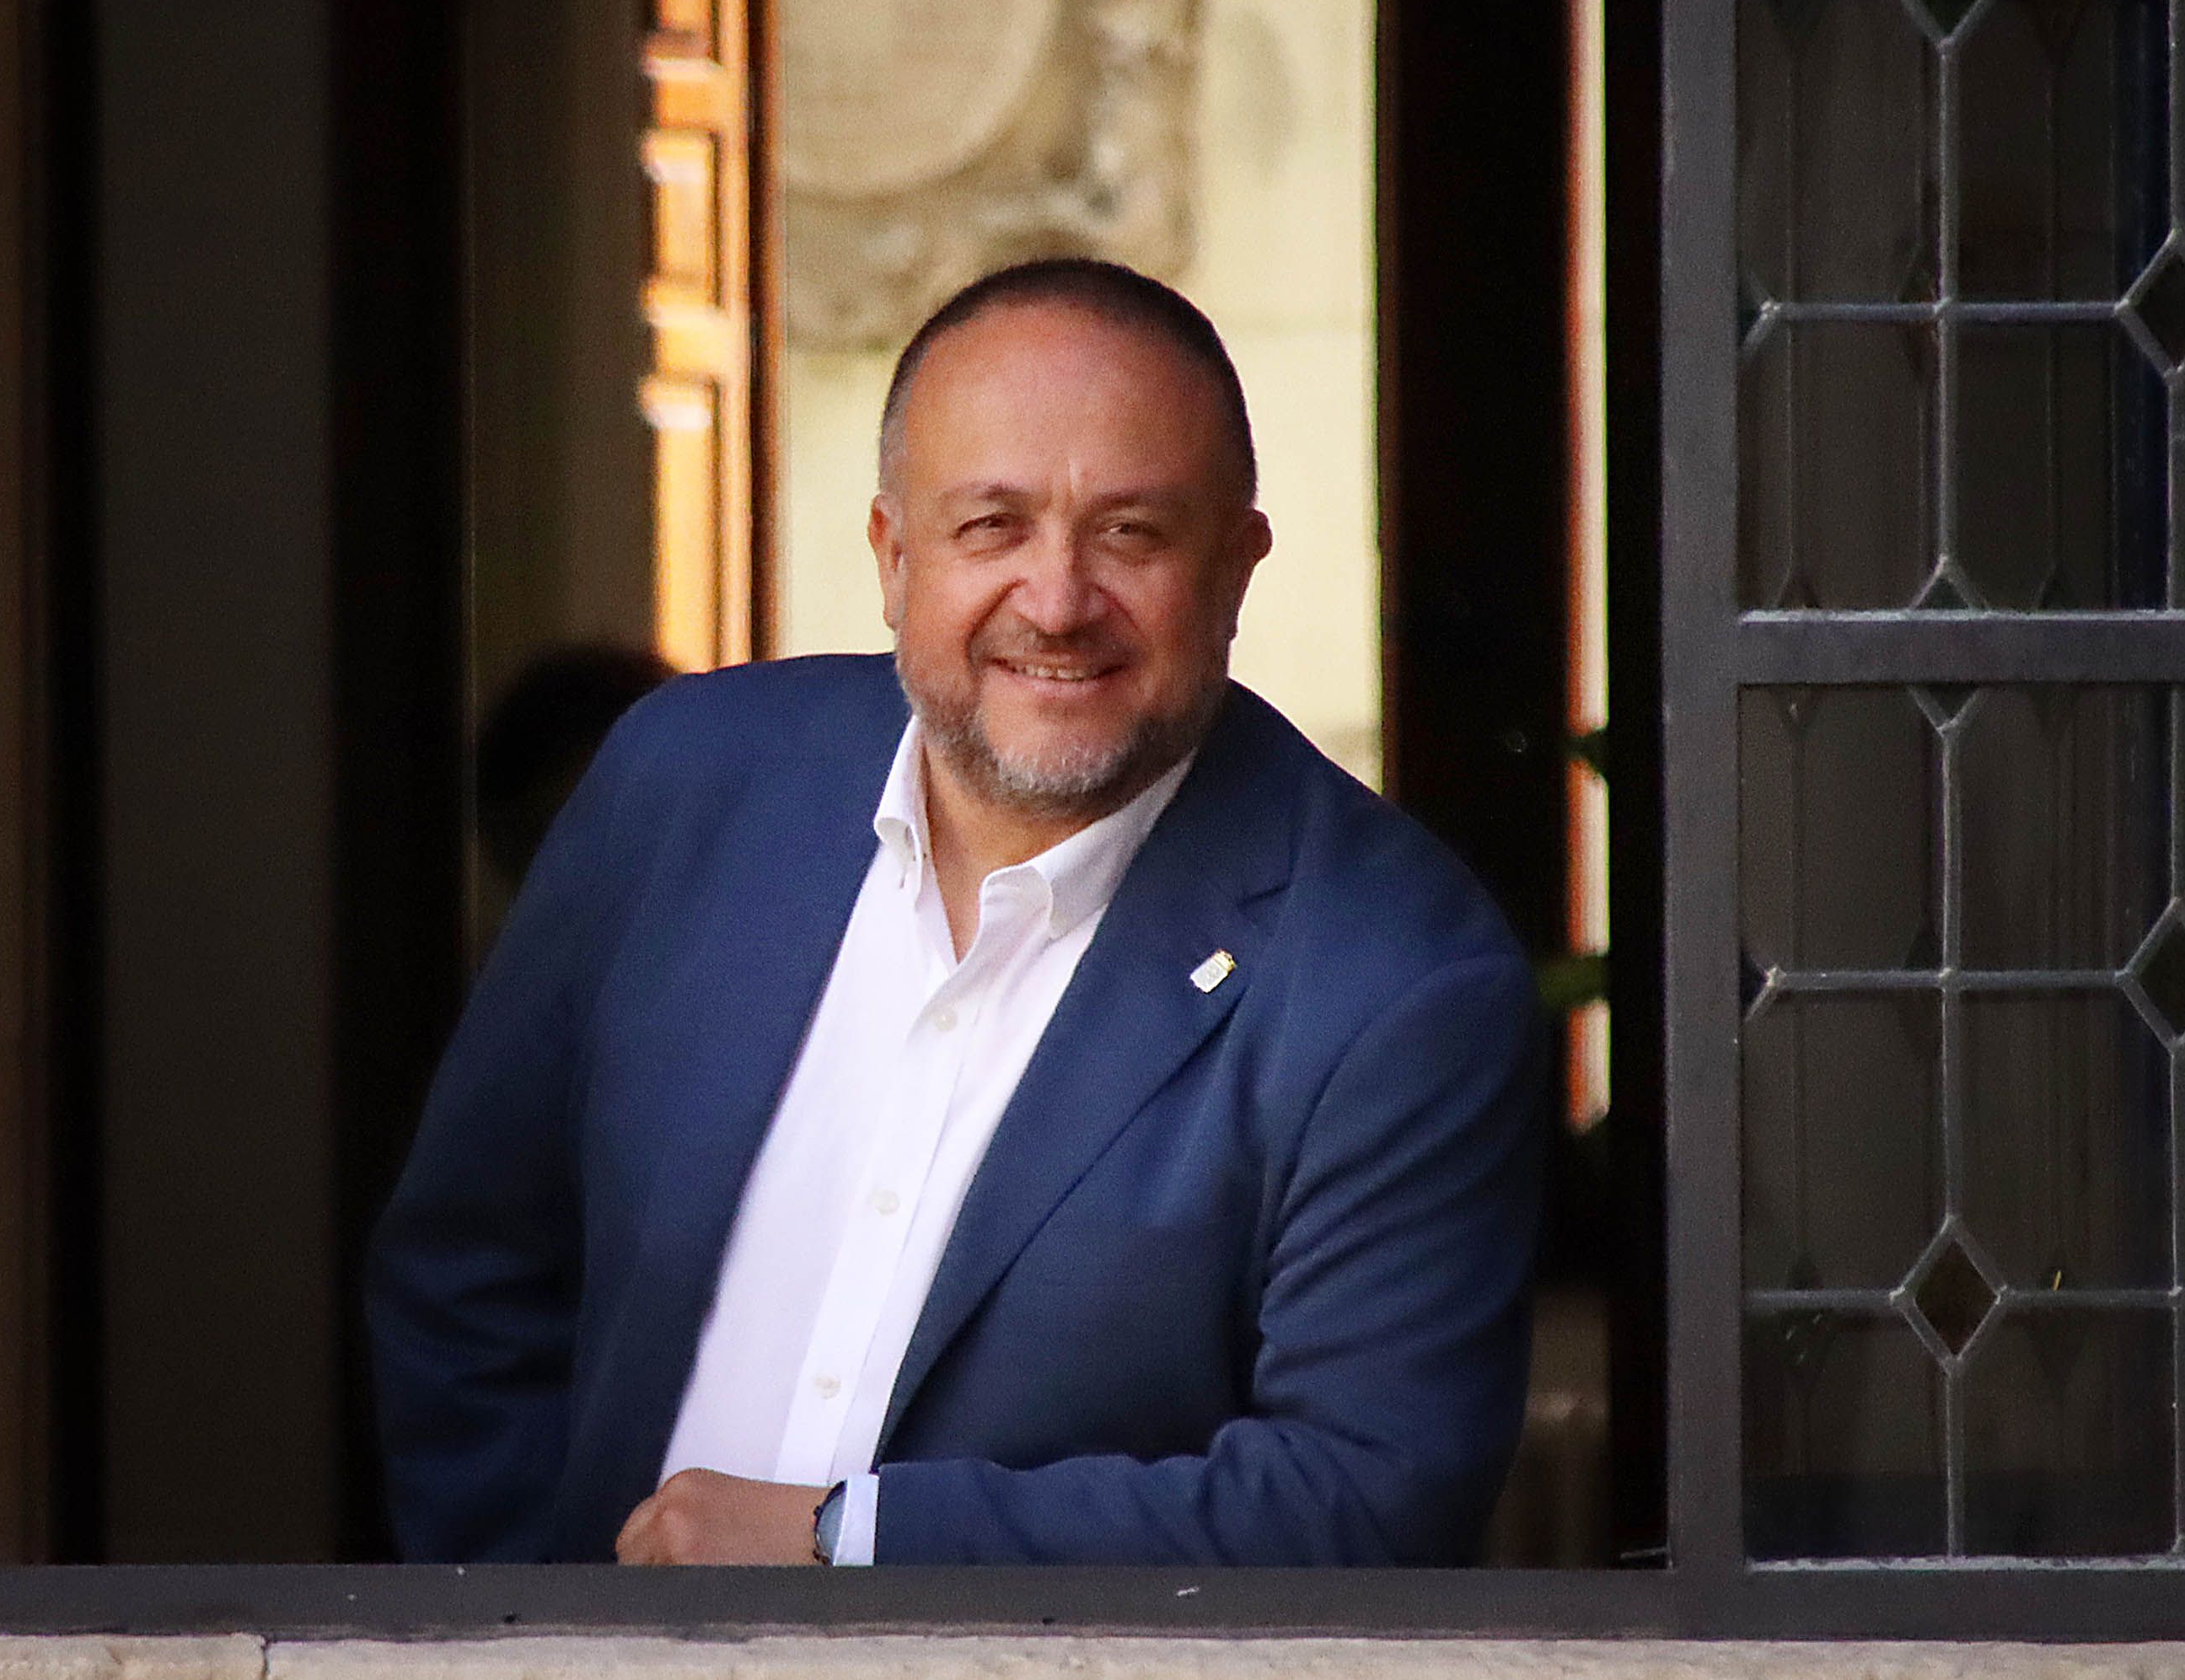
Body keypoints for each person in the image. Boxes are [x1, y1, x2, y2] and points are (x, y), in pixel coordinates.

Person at [368, 258, 1542, 1566]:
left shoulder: (1398, 979)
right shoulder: (678, 784)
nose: (1055, 601)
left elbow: (1361, 1493)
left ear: (1236, 566)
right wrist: (537, 1633)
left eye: (1132, 534)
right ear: (892, 554)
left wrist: (848, 1543)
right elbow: (469, 1272)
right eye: (991, 526)